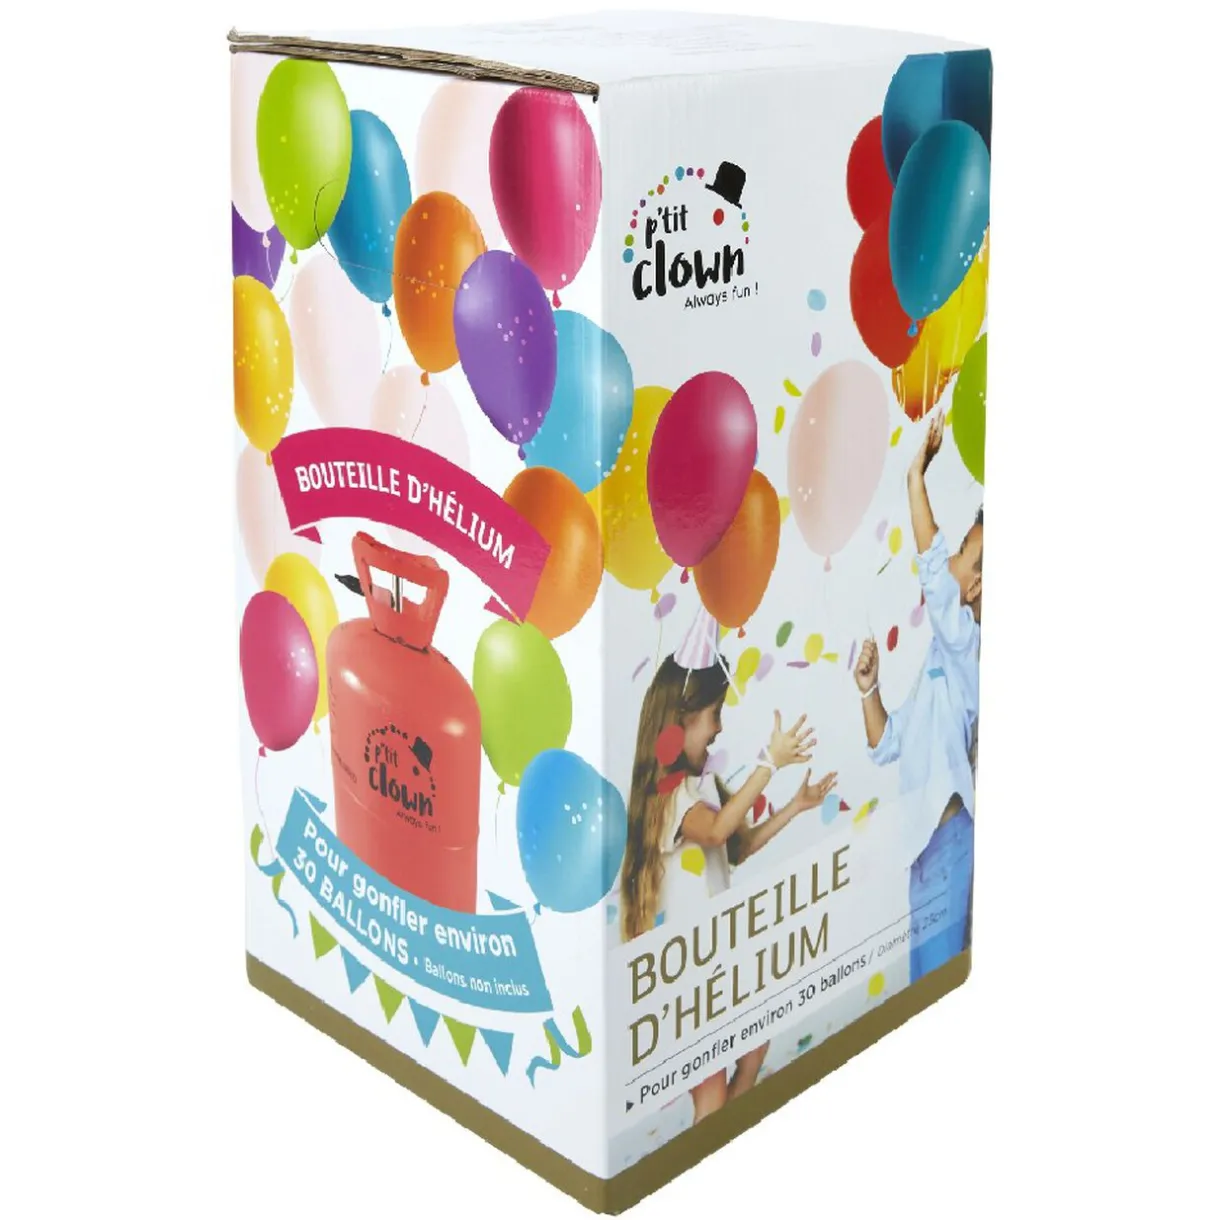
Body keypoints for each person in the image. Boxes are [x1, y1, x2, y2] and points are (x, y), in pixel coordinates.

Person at [621, 607, 836, 1121]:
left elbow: (735, 846)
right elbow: (717, 831)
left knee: (753, 1048)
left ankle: (716, 1139)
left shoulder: (700, 787)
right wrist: (768, 762)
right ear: (682, 719)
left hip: (712, 961)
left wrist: (795, 806)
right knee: (711, 1091)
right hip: (685, 972)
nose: (719, 728)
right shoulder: (668, 796)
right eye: (714, 714)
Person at [853, 409, 981, 983]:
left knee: (939, 982)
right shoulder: (939, 657)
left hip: (950, 841)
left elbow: (934, 577)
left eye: (964, 554)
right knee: (922, 985)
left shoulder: (968, 647)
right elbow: (887, 743)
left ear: (975, 587)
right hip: (922, 851)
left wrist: (915, 479)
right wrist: (869, 690)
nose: (951, 559)